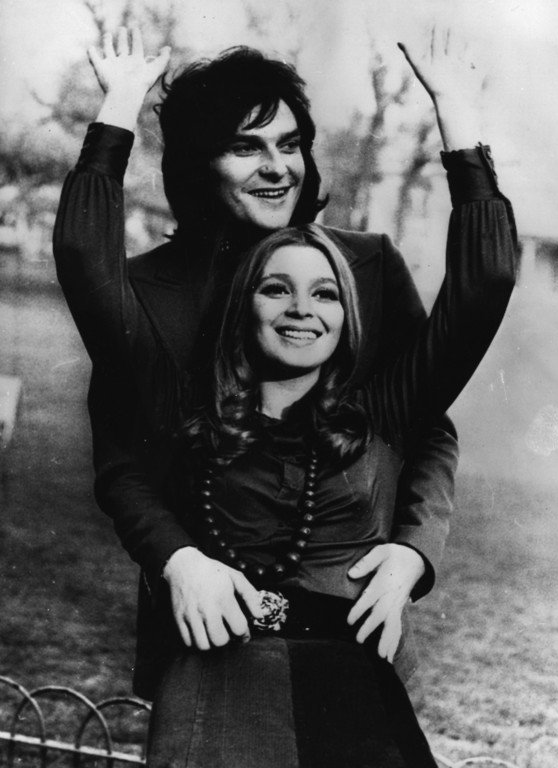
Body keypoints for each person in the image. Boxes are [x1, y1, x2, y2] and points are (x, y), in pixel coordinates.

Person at [53, 22, 515, 713]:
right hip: (208, 623)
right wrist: (179, 560)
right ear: (197, 165)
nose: (277, 168)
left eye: (290, 144)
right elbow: (124, 461)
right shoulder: (145, 293)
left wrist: (412, 552)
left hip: (352, 623)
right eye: (246, 147)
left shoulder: (364, 268)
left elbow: (423, 424)